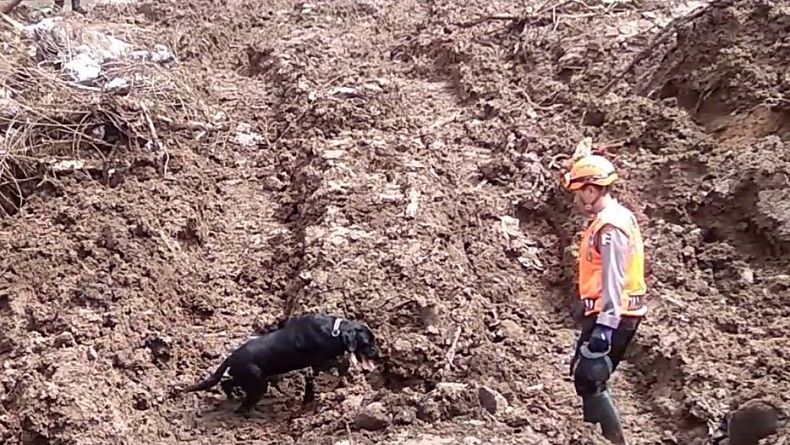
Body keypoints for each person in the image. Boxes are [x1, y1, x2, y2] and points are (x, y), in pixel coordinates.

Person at [562, 154, 648, 445]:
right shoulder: (611, 219)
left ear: (591, 190)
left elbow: (614, 276)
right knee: (585, 376)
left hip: (615, 315)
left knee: (590, 377)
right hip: (611, 312)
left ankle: (609, 440)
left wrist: (606, 325)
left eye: (577, 192)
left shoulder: (610, 227)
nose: (575, 199)